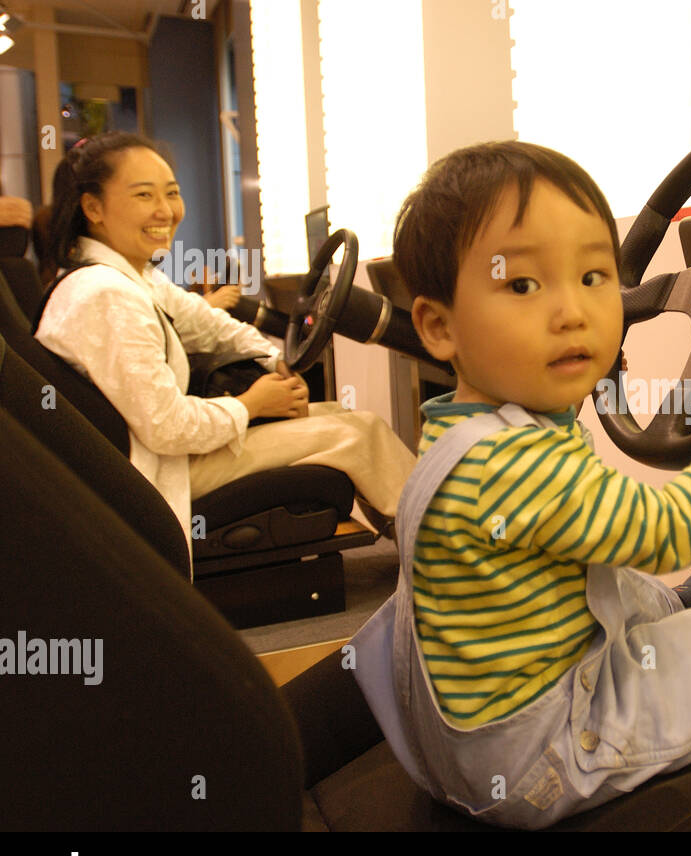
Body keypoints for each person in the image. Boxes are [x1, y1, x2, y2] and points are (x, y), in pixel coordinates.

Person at [369, 140, 691, 829]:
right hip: (536, 757)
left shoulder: (464, 427)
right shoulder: (515, 465)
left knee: (615, 577)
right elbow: (674, 528)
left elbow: (583, 534)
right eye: (525, 286)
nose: (573, 312)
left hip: (464, 737)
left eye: (593, 277)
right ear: (440, 327)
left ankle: (661, 610)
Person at [34, 132, 415, 558]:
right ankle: (443, 549)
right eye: (144, 195)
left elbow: (213, 326)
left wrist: (276, 366)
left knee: (338, 414)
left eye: (172, 193)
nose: (165, 210)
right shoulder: (107, 295)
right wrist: (252, 404)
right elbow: (166, 426)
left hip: (158, 459)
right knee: (359, 433)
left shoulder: (134, 279)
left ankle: (411, 537)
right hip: (156, 476)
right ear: (93, 207)